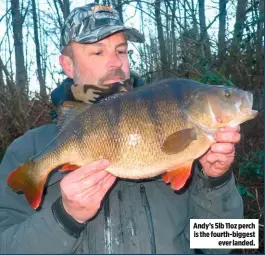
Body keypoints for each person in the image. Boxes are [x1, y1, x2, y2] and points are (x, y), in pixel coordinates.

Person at [0, 3, 243, 254]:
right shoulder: (26, 150)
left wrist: (216, 182)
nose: (116, 62)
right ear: (68, 65)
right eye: (98, 52)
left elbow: (226, 244)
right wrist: (65, 218)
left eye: (122, 50)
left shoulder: (189, 134)